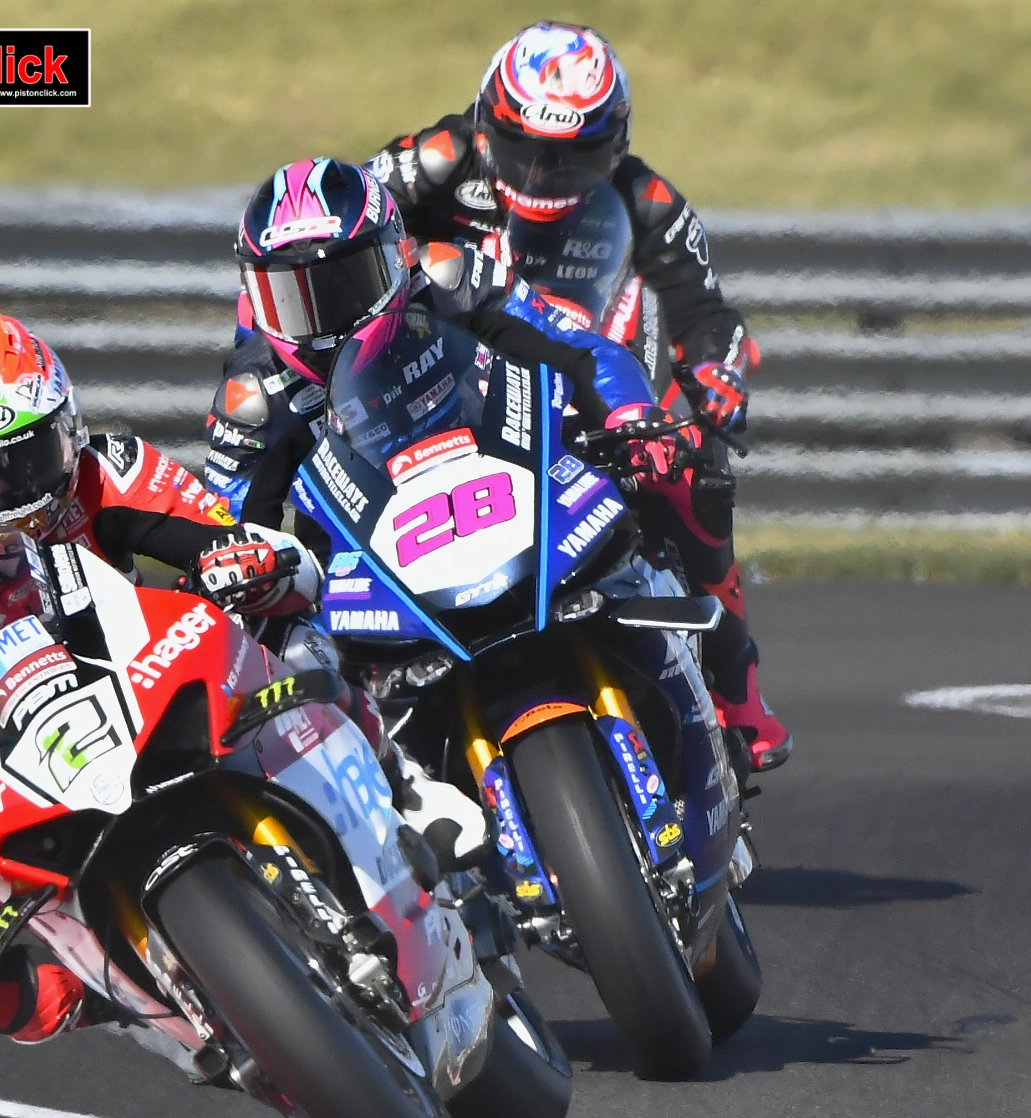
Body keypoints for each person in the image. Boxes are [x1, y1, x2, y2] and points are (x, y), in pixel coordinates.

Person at [0, 314, 467, 1053]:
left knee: (294, 636)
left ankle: (400, 783)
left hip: (146, 681)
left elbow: (248, 550)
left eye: (25, 458)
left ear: (67, 427)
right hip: (19, 764)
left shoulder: (112, 469)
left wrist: (249, 562)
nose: (4, 495)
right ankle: (95, 994)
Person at [207, 153, 790, 769]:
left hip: (510, 470)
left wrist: (628, 416)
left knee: (681, 466)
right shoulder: (251, 400)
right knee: (289, 668)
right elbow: (225, 536)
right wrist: (258, 576)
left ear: (396, 254)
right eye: (289, 297)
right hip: (373, 568)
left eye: (343, 282)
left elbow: (576, 350)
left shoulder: (449, 277)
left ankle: (734, 686)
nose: (324, 318)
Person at [358, 21, 788, 770]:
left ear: (614, 145)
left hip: (589, 378)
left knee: (695, 472)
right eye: (524, 149)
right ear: (487, 123)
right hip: (450, 380)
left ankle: (734, 684)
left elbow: (706, 311)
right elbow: (346, 234)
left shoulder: (649, 200)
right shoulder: (430, 162)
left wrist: (716, 374)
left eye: (572, 156)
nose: (543, 174)